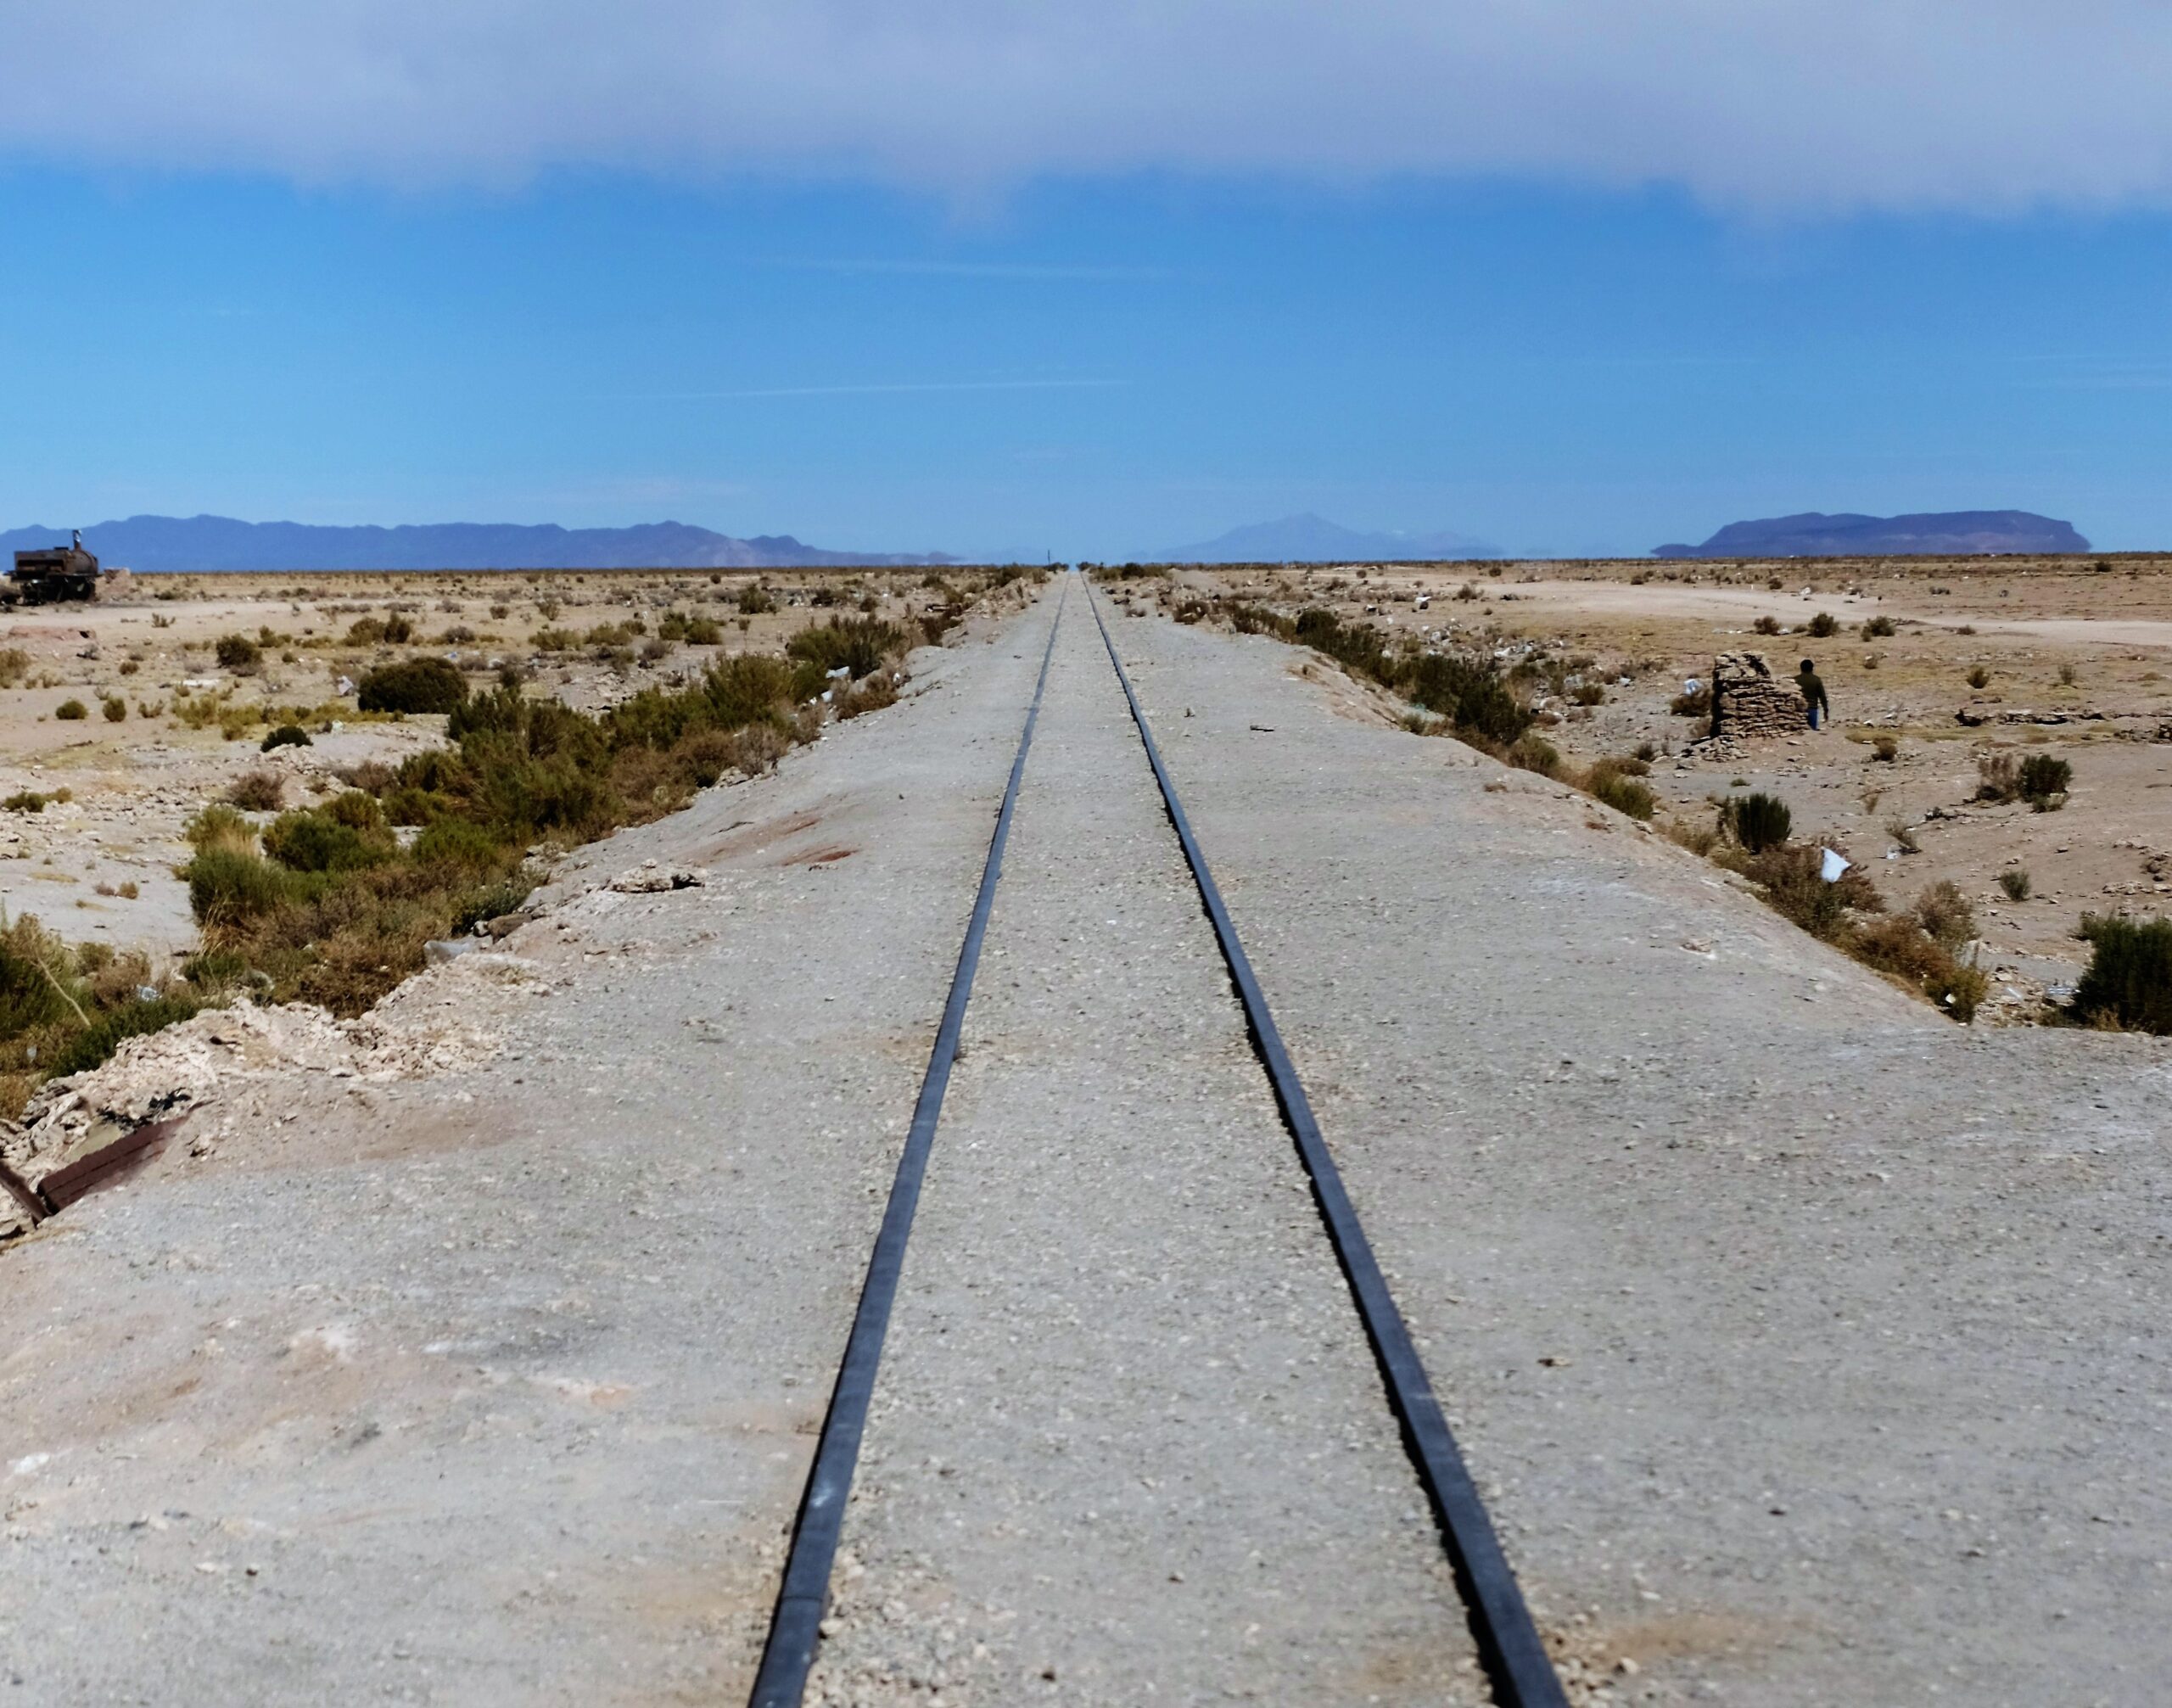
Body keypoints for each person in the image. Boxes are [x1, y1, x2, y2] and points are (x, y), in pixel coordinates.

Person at [1797, 657, 1829, 731]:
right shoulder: (1816, 680)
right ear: (1812, 668)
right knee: (1812, 730)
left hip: (1799, 710)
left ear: (1801, 668)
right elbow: (1822, 697)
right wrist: (1826, 711)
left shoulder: (1796, 680)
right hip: (1812, 709)